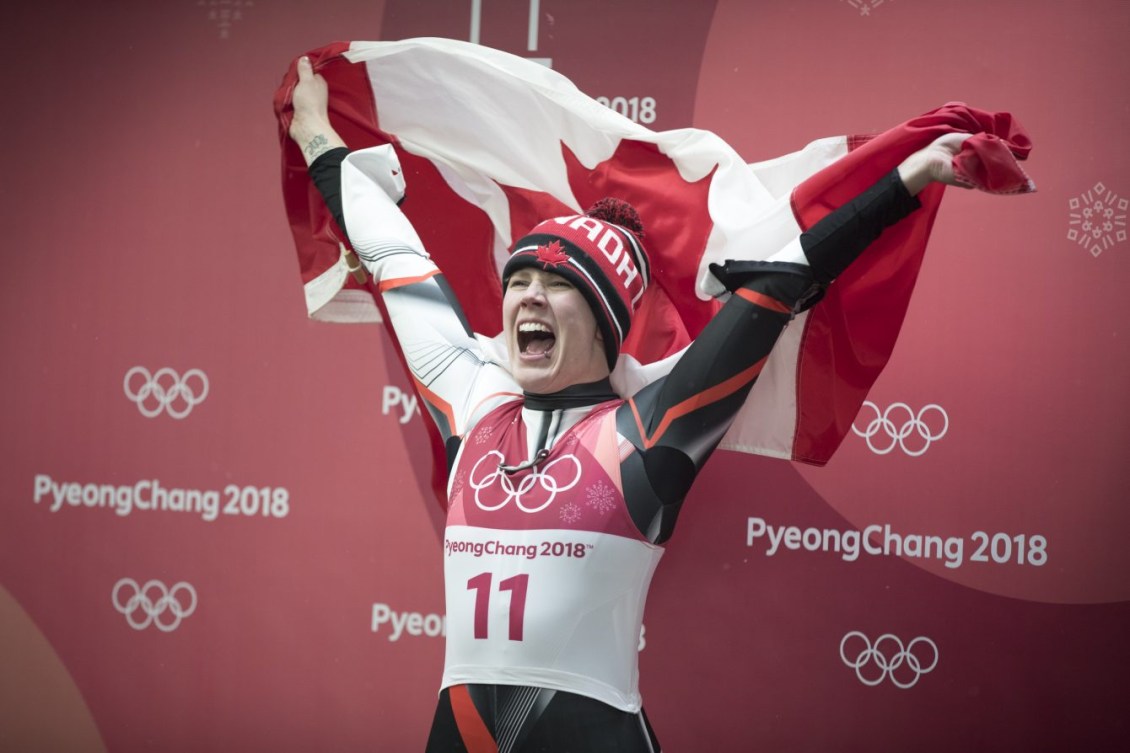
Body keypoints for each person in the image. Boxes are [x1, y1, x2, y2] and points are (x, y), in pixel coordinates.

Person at [287, 54, 972, 752]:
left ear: (604, 324)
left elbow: (782, 283)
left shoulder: (647, 433)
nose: (526, 295)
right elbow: (386, 243)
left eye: (555, 284)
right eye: (518, 278)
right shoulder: (470, 398)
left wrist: (906, 181)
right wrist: (314, 127)